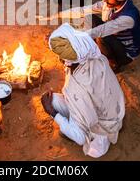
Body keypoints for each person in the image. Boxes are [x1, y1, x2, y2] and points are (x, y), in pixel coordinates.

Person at [41, 24, 125, 158]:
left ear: (68, 59)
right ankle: (75, 122)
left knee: (92, 148)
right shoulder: (94, 57)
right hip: (109, 110)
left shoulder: (78, 88)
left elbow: (80, 138)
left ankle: (78, 128)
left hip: (99, 131)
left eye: (60, 55)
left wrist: (51, 111)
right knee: (55, 99)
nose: (58, 58)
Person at [42, 0, 140, 72]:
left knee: (101, 37)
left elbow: (100, 31)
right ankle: (89, 47)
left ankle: (112, 63)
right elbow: (84, 10)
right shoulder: (111, 4)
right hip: (113, 35)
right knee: (88, 17)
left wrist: (72, 40)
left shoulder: (128, 18)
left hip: (126, 52)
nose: (105, 0)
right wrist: (57, 15)